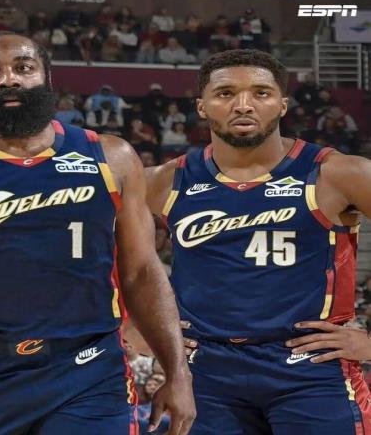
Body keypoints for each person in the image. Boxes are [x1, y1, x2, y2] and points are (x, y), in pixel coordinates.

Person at [0, 31, 195, 435]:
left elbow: (143, 271)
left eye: (23, 67)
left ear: (47, 77)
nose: (9, 79)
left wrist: (177, 372)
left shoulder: (111, 157)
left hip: (88, 373)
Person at [146, 49, 371, 434]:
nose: (243, 105)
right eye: (225, 93)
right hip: (206, 369)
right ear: (201, 106)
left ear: (283, 104)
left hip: (310, 367)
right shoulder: (164, 181)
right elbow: (109, 262)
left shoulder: (339, 173)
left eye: (261, 93)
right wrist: (149, 335)